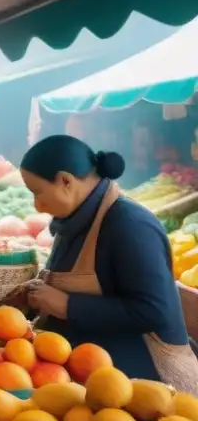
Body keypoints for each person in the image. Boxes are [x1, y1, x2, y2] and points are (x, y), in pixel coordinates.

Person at [13, 135, 198, 390]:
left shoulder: (130, 225)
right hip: (83, 376)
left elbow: (153, 312)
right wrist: (36, 294)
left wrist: (67, 305)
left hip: (142, 385)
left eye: (38, 192)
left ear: (66, 181)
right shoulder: (75, 219)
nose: (37, 204)